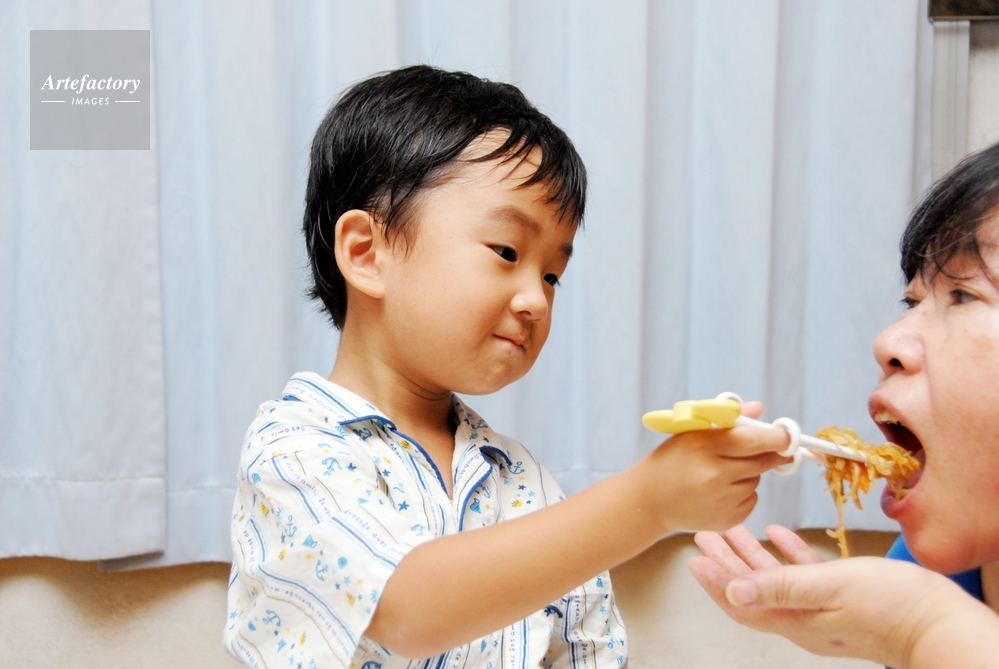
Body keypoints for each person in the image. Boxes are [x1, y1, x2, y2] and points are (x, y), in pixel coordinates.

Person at [222, 65, 790, 669]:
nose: (536, 300)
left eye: (552, 275)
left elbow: (591, 652)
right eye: (507, 251)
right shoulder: (292, 452)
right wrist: (649, 501)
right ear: (367, 253)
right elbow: (409, 610)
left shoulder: (522, 480)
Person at [689, 140, 999, 669]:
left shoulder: (925, 604)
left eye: (964, 294)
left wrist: (921, 629)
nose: (889, 341)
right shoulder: (925, 574)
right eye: (911, 302)